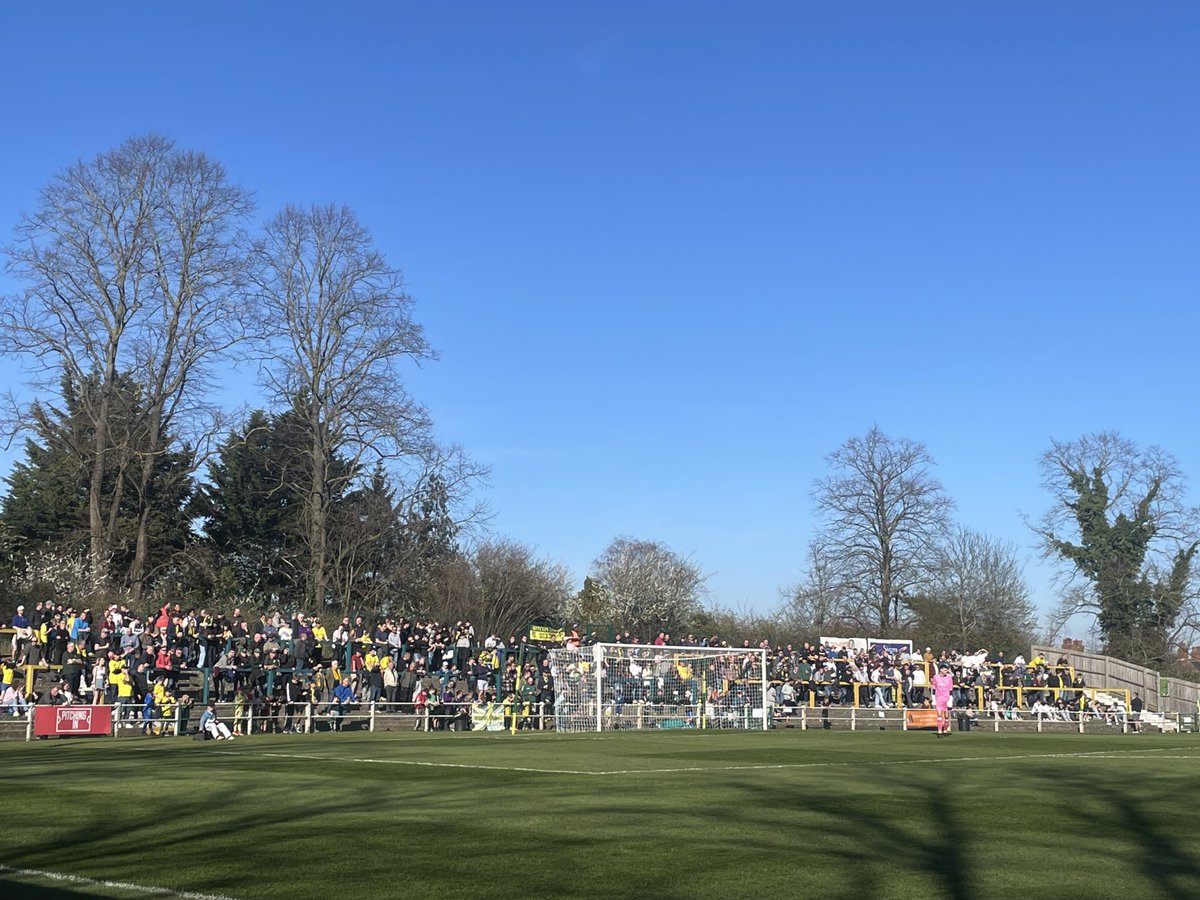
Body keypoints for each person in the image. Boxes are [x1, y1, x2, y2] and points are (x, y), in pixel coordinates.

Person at [931, 664, 954, 737]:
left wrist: (950, 698)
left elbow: (950, 687)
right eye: (945, 670)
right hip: (939, 698)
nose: (946, 671)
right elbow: (934, 688)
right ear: (941, 670)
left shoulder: (949, 677)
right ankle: (939, 731)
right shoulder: (936, 677)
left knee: (946, 716)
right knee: (939, 714)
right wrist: (933, 698)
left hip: (946, 698)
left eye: (947, 670)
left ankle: (945, 730)